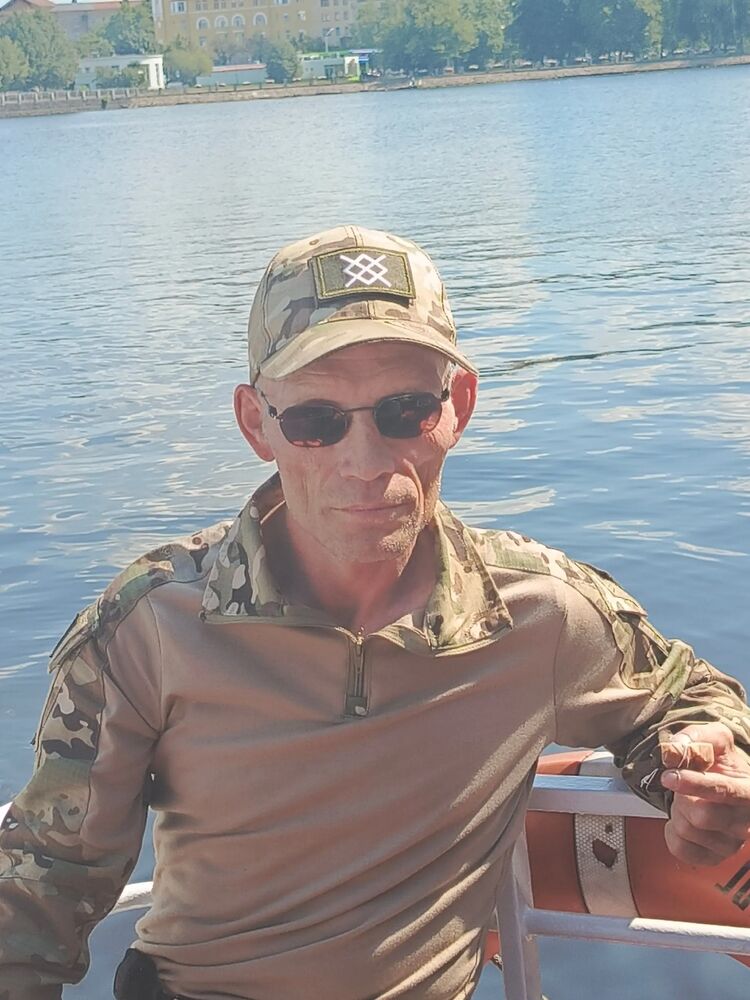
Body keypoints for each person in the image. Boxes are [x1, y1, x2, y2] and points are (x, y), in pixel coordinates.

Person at [1, 225, 749, 1000]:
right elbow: (47, 881)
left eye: (404, 411)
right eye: (315, 422)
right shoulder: (147, 627)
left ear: (458, 407)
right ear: (257, 424)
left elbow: (689, 695)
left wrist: (696, 769)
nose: (363, 462)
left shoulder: (538, 613)